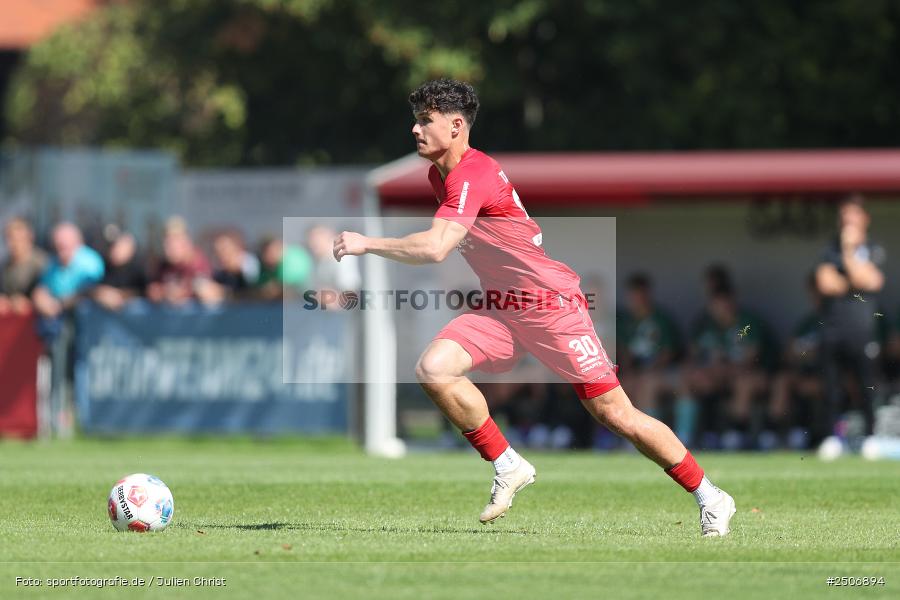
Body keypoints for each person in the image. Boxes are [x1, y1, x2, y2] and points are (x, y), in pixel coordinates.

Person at [331, 79, 735, 536]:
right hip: (504, 308)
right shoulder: (438, 175)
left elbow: (438, 245)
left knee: (616, 415)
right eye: (417, 119)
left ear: (457, 125)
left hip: (550, 307)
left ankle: (711, 496)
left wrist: (368, 243)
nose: (415, 129)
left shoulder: (471, 173)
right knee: (434, 368)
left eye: (426, 120)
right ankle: (507, 463)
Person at [815, 194, 885, 452]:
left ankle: (870, 437)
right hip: (834, 328)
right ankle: (834, 438)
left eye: (852, 216)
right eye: (843, 217)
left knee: (867, 385)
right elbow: (825, 283)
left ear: (864, 219)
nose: (847, 222)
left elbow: (870, 280)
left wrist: (848, 254)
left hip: (863, 329)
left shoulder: (873, 249)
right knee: (832, 386)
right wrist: (854, 278)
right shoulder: (828, 250)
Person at [681, 282, 776, 450]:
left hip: (753, 374)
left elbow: (751, 359)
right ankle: (690, 436)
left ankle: (736, 434)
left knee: (743, 383)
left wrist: (724, 369)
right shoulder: (707, 326)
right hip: (717, 375)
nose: (722, 308)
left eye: (725, 302)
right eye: (717, 304)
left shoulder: (746, 323)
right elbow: (692, 356)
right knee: (692, 380)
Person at [617, 273, 682, 421]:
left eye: (640, 295)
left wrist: (650, 369)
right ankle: (618, 434)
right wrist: (630, 371)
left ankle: (649, 434)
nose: (637, 300)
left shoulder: (661, 319)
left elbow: (668, 353)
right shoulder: (625, 321)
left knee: (647, 384)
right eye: (633, 295)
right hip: (636, 372)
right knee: (614, 387)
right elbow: (624, 352)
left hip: (661, 371)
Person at [32, 222, 104, 324]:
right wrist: (42, 301)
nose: (59, 246)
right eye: (57, 244)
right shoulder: (54, 262)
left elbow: (90, 292)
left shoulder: (90, 261)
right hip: (57, 316)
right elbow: (42, 288)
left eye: (63, 244)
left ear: (77, 241)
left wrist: (60, 304)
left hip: (84, 319)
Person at [146, 217, 213, 305]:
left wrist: (180, 293)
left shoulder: (197, 263)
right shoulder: (164, 265)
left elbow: (204, 291)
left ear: (186, 242)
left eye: (174, 241)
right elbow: (153, 290)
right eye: (167, 242)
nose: (168, 248)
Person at [0, 217, 48, 315]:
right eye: (9, 239)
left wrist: (29, 302)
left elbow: (46, 295)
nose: (13, 244)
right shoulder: (5, 265)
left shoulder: (42, 263)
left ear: (29, 238)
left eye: (18, 239)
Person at [91, 227, 147, 311]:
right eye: (111, 245)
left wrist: (121, 296)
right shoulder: (104, 266)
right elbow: (89, 289)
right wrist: (101, 294)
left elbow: (145, 291)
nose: (114, 250)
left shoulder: (139, 267)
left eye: (117, 245)